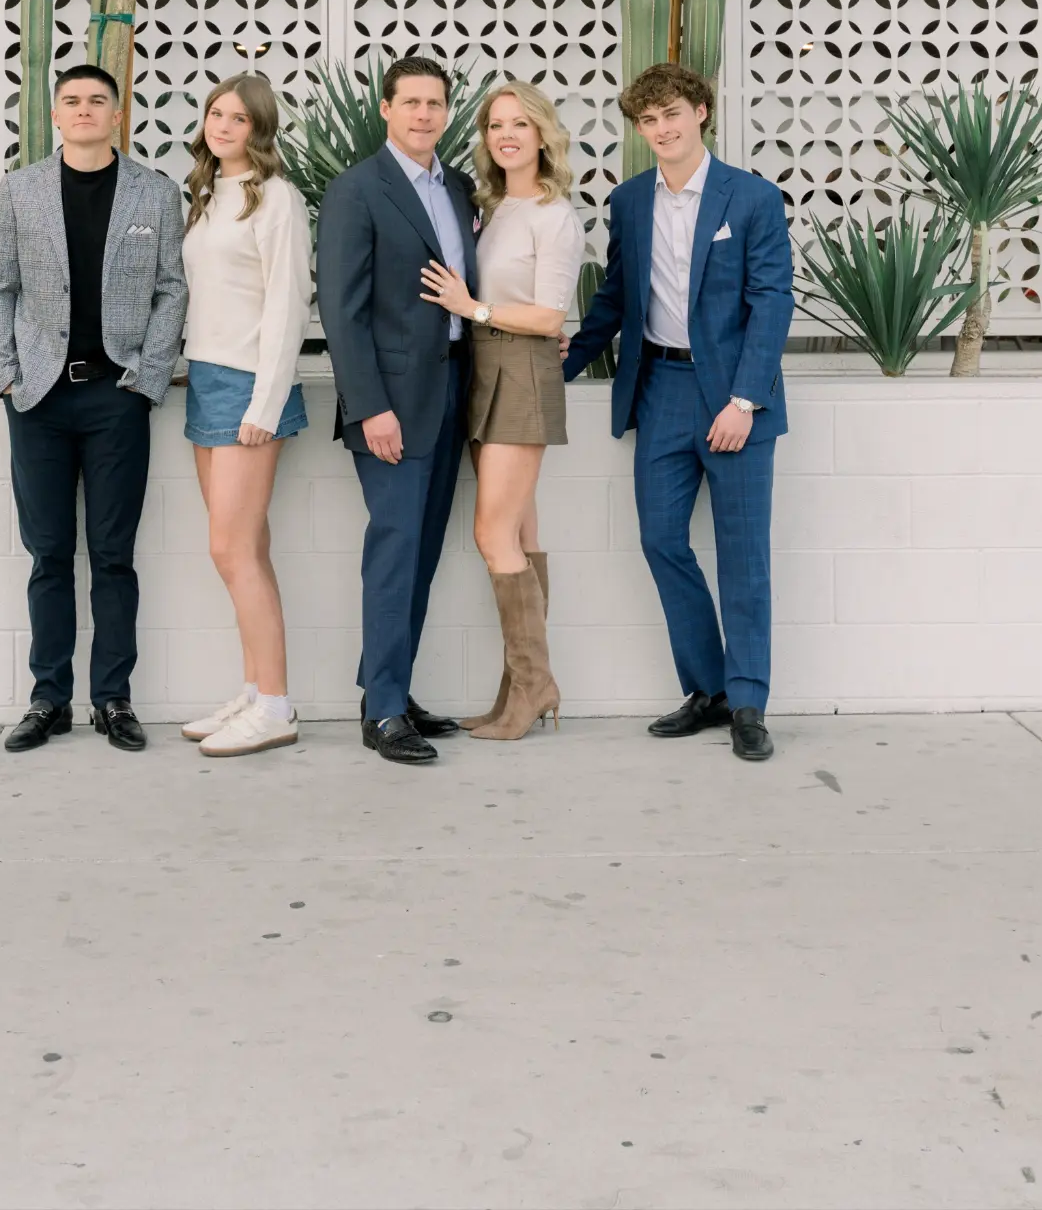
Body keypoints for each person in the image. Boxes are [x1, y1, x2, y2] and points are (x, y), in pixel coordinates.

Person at [563, 63, 793, 763]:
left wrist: (743, 400)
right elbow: (616, 297)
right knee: (661, 540)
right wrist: (558, 368)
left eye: (670, 114)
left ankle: (748, 701)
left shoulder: (750, 198)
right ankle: (708, 690)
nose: (660, 129)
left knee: (743, 558)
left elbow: (771, 302)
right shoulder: (628, 201)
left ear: (699, 112)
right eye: (646, 121)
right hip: (659, 387)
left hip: (732, 399)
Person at [0, 63, 187, 754]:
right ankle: (48, 700)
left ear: (117, 114)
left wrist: (148, 378)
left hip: (116, 396)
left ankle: (113, 699)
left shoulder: (155, 195)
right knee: (47, 554)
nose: (84, 110)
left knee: (112, 555)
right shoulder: (21, 189)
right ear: (55, 115)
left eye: (97, 100)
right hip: (37, 397)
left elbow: (170, 291)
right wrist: (6, 376)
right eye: (71, 100)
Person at [316, 55, 477, 766]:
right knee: (393, 551)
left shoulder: (461, 187)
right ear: (386, 109)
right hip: (390, 408)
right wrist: (370, 408)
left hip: (450, 396)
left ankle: (392, 689)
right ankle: (382, 711)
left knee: (422, 554)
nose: (422, 114)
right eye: (409, 102)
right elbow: (341, 314)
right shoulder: (357, 190)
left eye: (434, 103)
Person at [420, 81, 583, 739]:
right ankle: (520, 690)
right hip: (485, 367)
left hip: (519, 371)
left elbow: (548, 315)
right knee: (518, 535)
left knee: (492, 535)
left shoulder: (554, 215)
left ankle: (535, 681)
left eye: (519, 123)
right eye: (494, 125)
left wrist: (474, 310)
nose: (506, 134)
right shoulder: (490, 207)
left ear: (543, 133)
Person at [176, 75, 311, 757]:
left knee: (230, 549)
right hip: (205, 378)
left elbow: (287, 304)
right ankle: (257, 691)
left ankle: (278, 706)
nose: (223, 126)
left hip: (250, 385)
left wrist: (264, 402)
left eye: (238, 118)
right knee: (244, 549)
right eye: (215, 114)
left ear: (260, 128)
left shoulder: (278, 199)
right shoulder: (205, 195)